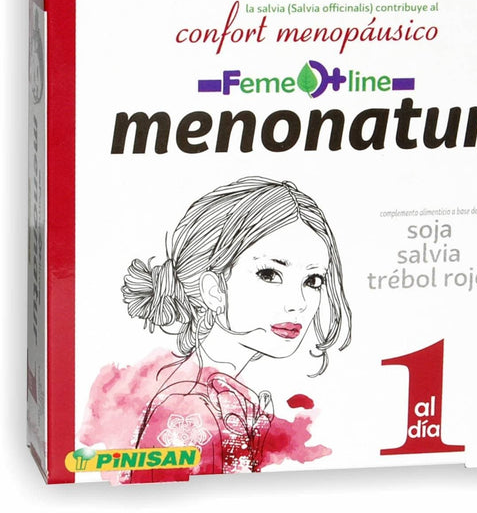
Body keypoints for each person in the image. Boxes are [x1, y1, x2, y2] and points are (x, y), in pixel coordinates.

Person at [80, 176, 351, 483]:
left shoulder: (221, 393)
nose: (298, 303)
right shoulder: (188, 408)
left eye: (313, 281)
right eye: (269, 274)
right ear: (214, 290)